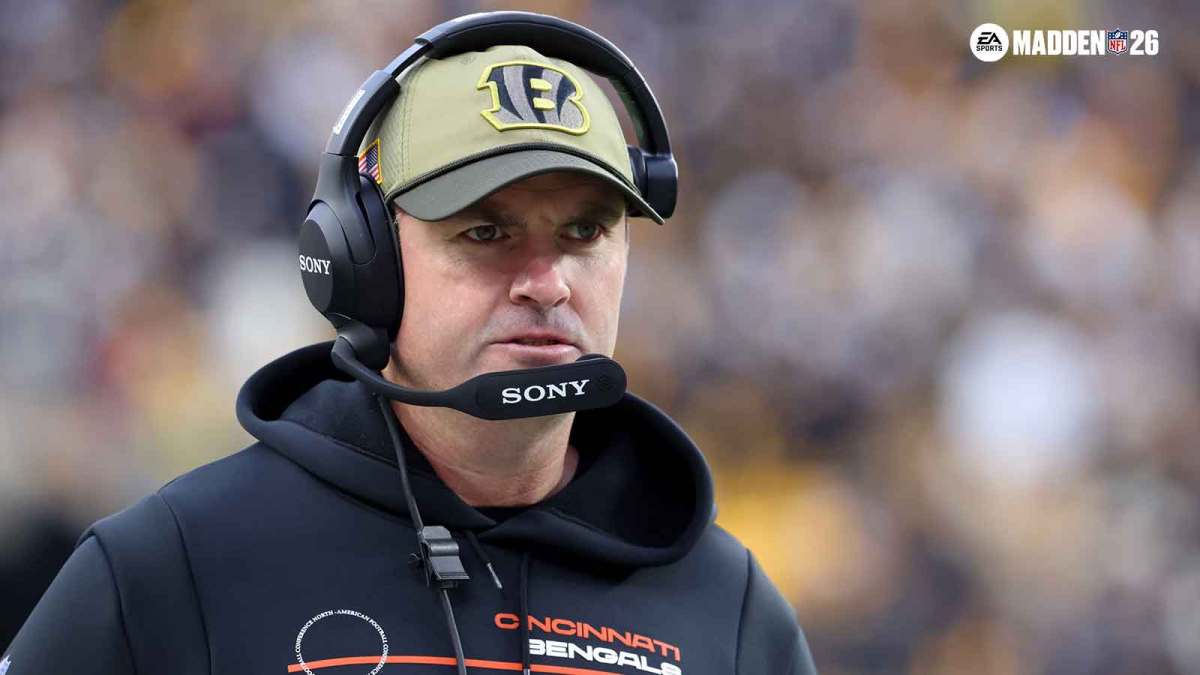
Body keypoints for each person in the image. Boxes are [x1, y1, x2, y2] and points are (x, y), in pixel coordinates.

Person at [3, 15, 817, 675]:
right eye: (487, 230)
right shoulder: (173, 562)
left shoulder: (728, 604)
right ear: (362, 262)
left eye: (583, 232)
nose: (547, 279)